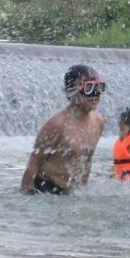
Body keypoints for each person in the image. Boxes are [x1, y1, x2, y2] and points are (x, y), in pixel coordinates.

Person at [19, 64, 107, 195]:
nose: (95, 94)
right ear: (71, 92)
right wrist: (25, 194)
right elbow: (34, 161)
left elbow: (87, 161)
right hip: (46, 190)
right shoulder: (57, 125)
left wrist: (83, 191)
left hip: (73, 192)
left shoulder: (98, 122)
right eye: (89, 88)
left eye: (99, 88)